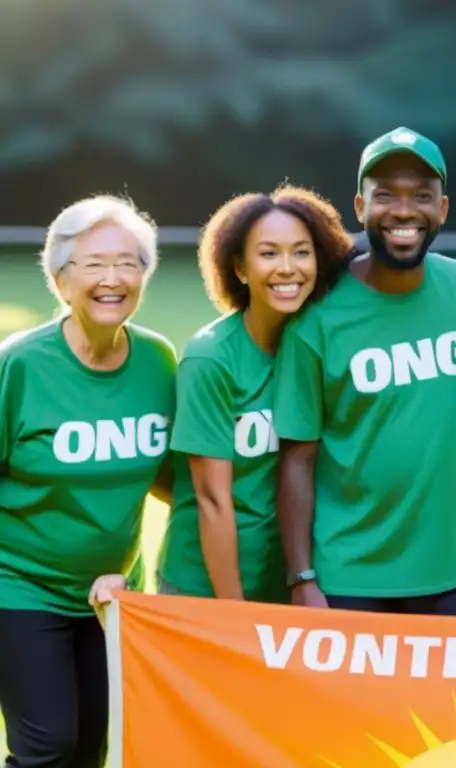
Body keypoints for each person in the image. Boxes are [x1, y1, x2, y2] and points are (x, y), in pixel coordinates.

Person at [272, 127, 456, 616]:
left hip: (453, 569)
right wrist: (302, 578)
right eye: (385, 196)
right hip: (350, 576)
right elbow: (296, 459)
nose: (402, 210)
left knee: (454, 698)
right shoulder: (318, 316)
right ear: (359, 206)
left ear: (443, 208)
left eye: (421, 196)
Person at [0, 196, 176, 767]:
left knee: (96, 747)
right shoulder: (20, 365)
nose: (113, 278)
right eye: (94, 264)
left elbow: (175, 481)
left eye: (129, 263)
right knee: (49, 744)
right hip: (19, 587)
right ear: (59, 279)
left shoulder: (158, 361)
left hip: (111, 595)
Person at [154, 186, 354, 603]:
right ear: (240, 269)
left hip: (290, 582)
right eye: (268, 253)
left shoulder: (322, 347)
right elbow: (212, 500)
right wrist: (233, 610)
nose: (288, 268)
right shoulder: (211, 357)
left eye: (301, 252)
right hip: (207, 589)